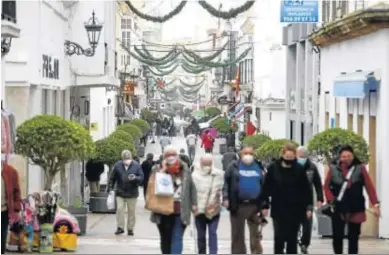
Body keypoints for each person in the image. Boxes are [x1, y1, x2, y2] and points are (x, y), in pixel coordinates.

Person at [323, 145, 380, 254]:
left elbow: (369, 187)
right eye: (344, 156)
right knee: (337, 236)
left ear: (353, 156)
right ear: (339, 157)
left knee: (353, 237)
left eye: (349, 156)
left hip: (356, 206)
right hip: (338, 206)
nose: (347, 158)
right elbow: (326, 187)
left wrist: (375, 204)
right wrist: (331, 200)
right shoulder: (333, 168)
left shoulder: (360, 168)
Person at [260, 143, 313, 254]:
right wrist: (265, 205)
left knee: (292, 238)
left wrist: (309, 207)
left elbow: (306, 190)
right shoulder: (273, 168)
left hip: (296, 209)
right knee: (279, 237)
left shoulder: (299, 169)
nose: (289, 159)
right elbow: (266, 187)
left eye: (292, 158)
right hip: (278, 208)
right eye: (287, 157)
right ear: (282, 155)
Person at [150, 145, 198, 254]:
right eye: (168, 155)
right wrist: (163, 170)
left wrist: (194, 204)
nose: (171, 157)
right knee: (165, 239)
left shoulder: (184, 168)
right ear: (164, 156)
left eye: (173, 155)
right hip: (163, 210)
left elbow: (191, 187)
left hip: (179, 210)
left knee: (177, 237)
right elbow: (152, 186)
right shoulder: (157, 169)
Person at [223, 146, 265, 254]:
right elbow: (226, 183)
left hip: (255, 206)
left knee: (255, 235)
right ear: (241, 155)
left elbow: (264, 186)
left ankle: (256, 252)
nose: (248, 156)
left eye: (250, 153)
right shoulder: (233, 166)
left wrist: (265, 205)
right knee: (237, 235)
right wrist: (226, 198)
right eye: (245, 153)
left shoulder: (259, 166)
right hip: (238, 205)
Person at [192, 154, 224, 254]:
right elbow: (192, 192)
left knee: (212, 233)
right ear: (201, 163)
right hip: (199, 210)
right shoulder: (195, 175)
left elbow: (219, 189)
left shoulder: (218, 174)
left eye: (208, 163)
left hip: (213, 209)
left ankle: (213, 253)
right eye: (205, 163)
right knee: (201, 235)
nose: (206, 166)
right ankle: (202, 252)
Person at [108, 150, 144, 236]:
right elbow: (112, 177)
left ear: (131, 158)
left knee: (131, 211)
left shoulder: (136, 165)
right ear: (122, 159)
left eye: (128, 159)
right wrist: (110, 187)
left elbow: (142, 177)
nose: (127, 161)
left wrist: (135, 178)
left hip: (132, 193)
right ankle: (120, 227)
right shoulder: (117, 165)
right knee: (120, 209)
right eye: (125, 159)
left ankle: (130, 228)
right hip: (120, 192)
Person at [296, 146, 324, 254]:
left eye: (303, 156)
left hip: (307, 201)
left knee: (307, 224)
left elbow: (317, 184)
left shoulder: (312, 167)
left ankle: (304, 244)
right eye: (300, 156)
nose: (301, 158)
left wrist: (320, 198)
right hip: (293, 201)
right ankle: (296, 239)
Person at [1, 158, 22, 254]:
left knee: (1, 243)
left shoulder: (11, 172)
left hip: (3, 211)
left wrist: (17, 210)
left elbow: (16, 192)